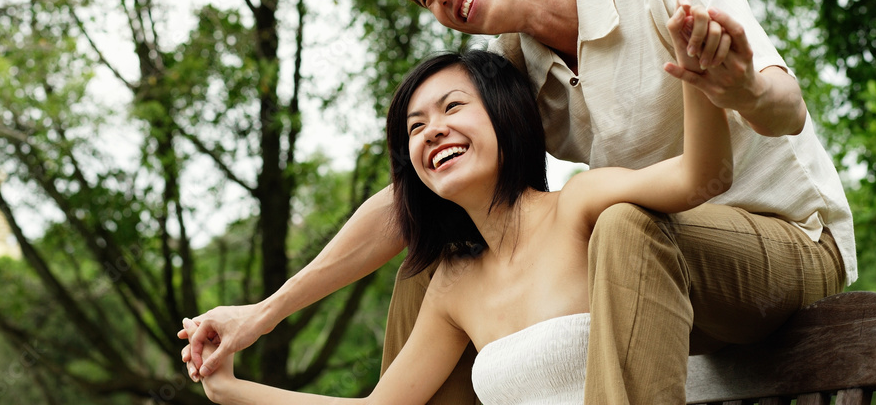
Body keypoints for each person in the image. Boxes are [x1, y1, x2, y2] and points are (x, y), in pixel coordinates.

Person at [180, 0, 855, 403]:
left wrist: (734, 87)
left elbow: (784, 105)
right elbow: (406, 203)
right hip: (654, 281)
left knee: (625, 224)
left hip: (785, 247)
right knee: (434, 266)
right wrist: (262, 315)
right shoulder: (514, 74)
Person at [187, 36, 734, 404]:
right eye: (415, 127)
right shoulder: (454, 284)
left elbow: (700, 178)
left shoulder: (579, 206)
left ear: (506, 116)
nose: (432, 131)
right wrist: (230, 389)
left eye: (452, 108)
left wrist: (699, 80)